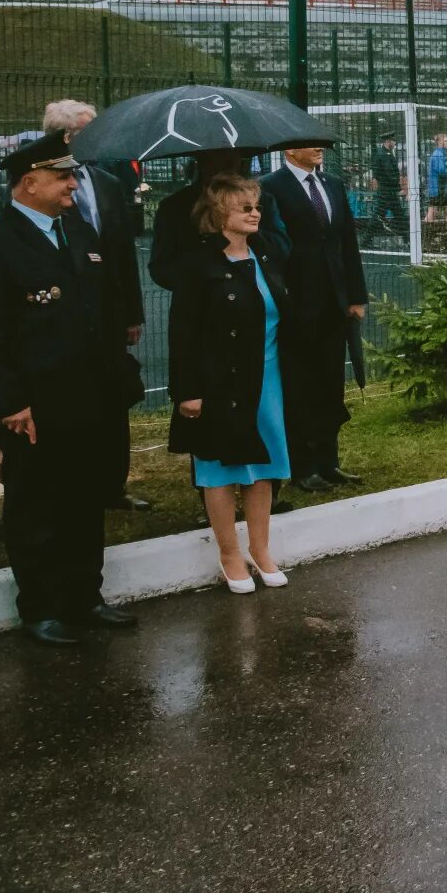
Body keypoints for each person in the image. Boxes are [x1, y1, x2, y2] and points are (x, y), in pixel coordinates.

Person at [0, 132, 140, 646]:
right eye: (62, 177)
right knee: (36, 503)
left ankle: (84, 597)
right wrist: (10, 401)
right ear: (28, 183)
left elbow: (104, 308)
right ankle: (41, 606)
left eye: (72, 176)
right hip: (36, 404)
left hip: (91, 394)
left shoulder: (76, 230)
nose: (73, 185)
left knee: (84, 498)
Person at [168, 174, 292, 594]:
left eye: (257, 206)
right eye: (245, 207)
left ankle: (261, 549)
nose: (255, 213)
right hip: (218, 381)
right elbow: (182, 331)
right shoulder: (198, 263)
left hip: (267, 378)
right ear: (220, 213)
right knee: (219, 469)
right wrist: (188, 391)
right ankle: (229, 554)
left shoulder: (266, 253)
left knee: (264, 469)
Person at [45, 99, 148, 511]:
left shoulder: (107, 181)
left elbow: (124, 253)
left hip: (110, 314)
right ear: (67, 136)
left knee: (114, 395)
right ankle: (77, 486)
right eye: (90, 129)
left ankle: (113, 486)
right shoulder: (43, 187)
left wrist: (132, 314)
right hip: (68, 316)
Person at [259, 146, 367, 493]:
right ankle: (303, 466)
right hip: (295, 305)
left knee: (330, 383)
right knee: (299, 385)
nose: (319, 148)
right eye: (311, 142)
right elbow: (269, 245)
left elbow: (347, 241)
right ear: (291, 149)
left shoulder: (332, 184)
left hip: (334, 304)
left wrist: (356, 295)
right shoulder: (270, 187)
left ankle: (328, 461)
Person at [150, 150, 290, 291]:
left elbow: (281, 247)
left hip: (256, 291)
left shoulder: (261, 200)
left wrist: (243, 231)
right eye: (216, 157)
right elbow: (161, 268)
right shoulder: (175, 207)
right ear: (201, 161)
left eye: (232, 155)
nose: (227, 163)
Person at [371, 133, 406, 235]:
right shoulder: (384, 155)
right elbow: (389, 173)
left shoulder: (386, 153)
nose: (394, 143)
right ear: (387, 141)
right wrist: (397, 186)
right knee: (379, 215)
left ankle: (406, 237)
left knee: (399, 215)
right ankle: (366, 239)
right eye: (393, 141)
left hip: (388, 191)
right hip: (387, 192)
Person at [423, 131, 447, 225]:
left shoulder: (440, 153)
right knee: (434, 211)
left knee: (445, 209)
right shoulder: (438, 155)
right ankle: (426, 228)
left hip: (439, 187)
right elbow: (441, 171)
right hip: (438, 188)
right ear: (440, 142)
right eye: (446, 141)